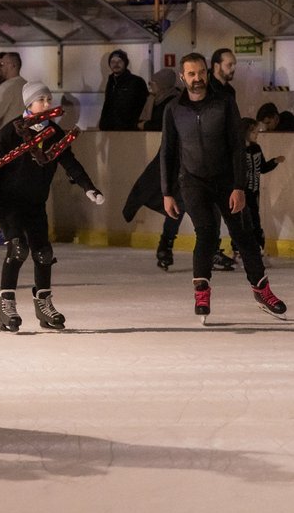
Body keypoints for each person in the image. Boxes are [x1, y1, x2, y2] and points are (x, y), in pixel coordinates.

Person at [160, 53, 286, 321]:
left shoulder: (224, 103)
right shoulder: (173, 109)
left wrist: (239, 186)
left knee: (244, 236)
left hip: (226, 181)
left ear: (207, 72)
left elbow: (236, 148)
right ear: (183, 77)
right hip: (193, 182)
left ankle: (261, 290)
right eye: (191, 74)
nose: (197, 79)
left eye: (201, 72)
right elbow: (168, 153)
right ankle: (202, 290)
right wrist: (167, 192)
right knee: (206, 233)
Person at [0, 82, 104, 332]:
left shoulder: (54, 133)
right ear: (29, 104)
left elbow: (70, 162)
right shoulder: (10, 132)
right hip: (9, 202)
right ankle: (6, 304)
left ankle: (44, 304)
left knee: (43, 253)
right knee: (18, 249)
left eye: (49, 100)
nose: (47, 104)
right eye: (42, 100)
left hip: (35, 202)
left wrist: (88, 187)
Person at [123, 68, 185, 270]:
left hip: (194, 165)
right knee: (178, 206)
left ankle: (212, 249)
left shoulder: (176, 102)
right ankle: (165, 246)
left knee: (203, 209)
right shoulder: (170, 104)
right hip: (179, 164)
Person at [233, 117, 285, 259]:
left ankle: (258, 245)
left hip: (254, 192)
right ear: (245, 132)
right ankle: (237, 248)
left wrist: (274, 161)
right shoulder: (237, 150)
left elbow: (262, 168)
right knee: (240, 220)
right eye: (254, 132)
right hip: (241, 192)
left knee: (254, 219)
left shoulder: (256, 148)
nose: (257, 135)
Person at [98, 49, 148, 131]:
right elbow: (107, 105)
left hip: (131, 132)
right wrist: (103, 125)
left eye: (119, 61)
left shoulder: (136, 82)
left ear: (125, 63)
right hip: (111, 132)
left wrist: (134, 125)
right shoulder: (110, 82)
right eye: (113, 62)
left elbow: (144, 106)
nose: (116, 64)